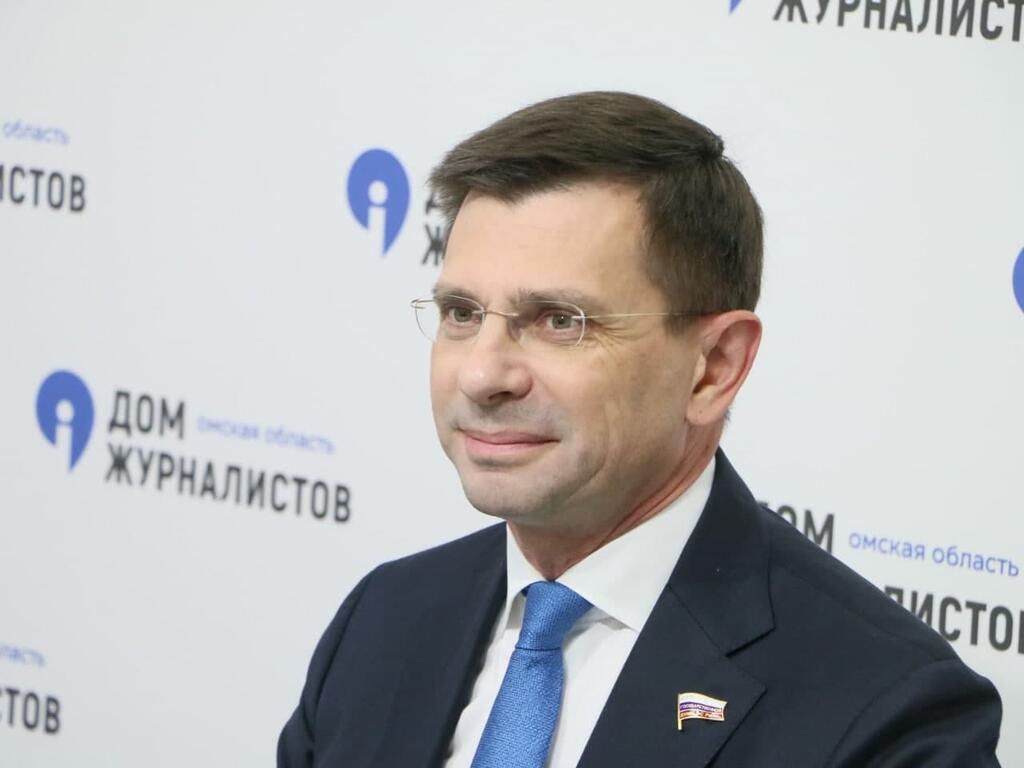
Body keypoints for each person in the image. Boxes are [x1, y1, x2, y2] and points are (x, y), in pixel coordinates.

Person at [278, 92, 1002, 767]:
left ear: (714, 367)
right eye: (462, 314)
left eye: (560, 321)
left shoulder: (888, 713)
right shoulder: (386, 617)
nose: (482, 374)